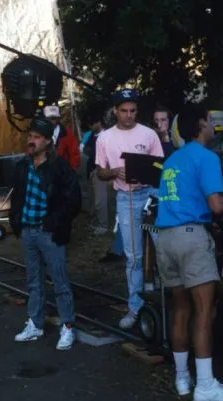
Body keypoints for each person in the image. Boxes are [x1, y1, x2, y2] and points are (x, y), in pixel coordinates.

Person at [154, 103, 223, 401]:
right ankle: (205, 386)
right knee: (204, 310)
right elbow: (216, 205)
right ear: (202, 124)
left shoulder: (173, 160)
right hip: (191, 236)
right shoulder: (206, 157)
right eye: (209, 120)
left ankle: (182, 378)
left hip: (165, 237)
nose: (212, 125)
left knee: (181, 308)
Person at [9, 116, 82, 350]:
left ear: (48, 141)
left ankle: (68, 327)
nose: (31, 141)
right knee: (34, 281)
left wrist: (53, 222)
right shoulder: (22, 166)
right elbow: (17, 197)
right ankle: (35, 324)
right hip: (28, 230)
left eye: (37, 137)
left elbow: (73, 200)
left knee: (60, 281)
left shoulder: (59, 167)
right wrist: (16, 221)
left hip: (49, 232)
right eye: (30, 136)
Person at [95, 89, 164, 328]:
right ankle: (135, 308)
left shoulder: (149, 134)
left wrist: (147, 172)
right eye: (124, 111)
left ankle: (167, 302)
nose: (128, 115)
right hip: (126, 197)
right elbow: (100, 172)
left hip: (151, 193)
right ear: (115, 111)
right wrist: (115, 171)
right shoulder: (104, 138)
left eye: (133, 110)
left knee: (163, 249)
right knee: (133, 256)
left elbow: (160, 166)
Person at [43, 105, 81, 171]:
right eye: (48, 118)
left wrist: (71, 170)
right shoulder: (40, 133)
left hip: (63, 171)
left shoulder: (67, 133)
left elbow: (74, 154)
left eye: (53, 118)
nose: (51, 121)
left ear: (58, 119)